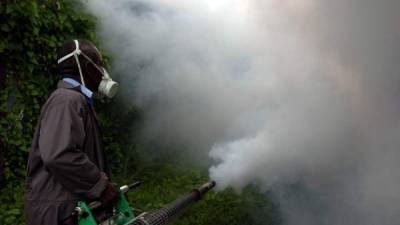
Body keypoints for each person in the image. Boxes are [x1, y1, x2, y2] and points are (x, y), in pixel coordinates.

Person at [25, 40, 119, 225]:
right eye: (99, 64)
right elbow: (59, 154)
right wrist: (99, 186)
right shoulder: (66, 100)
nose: (102, 71)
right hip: (58, 212)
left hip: (67, 208)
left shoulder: (76, 99)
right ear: (85, 66)